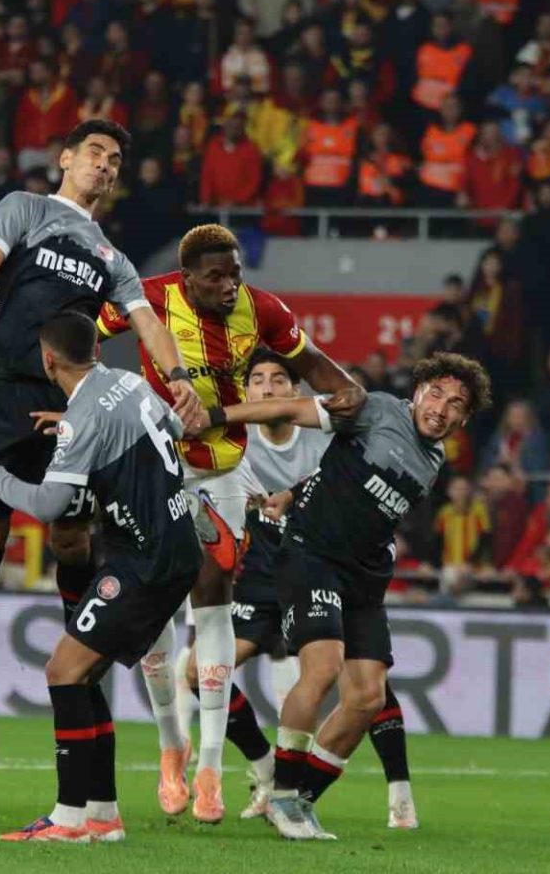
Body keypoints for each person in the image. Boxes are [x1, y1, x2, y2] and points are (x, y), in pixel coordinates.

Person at [0, 119, 201, 767]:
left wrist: (180, 379)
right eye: (95, 152)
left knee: (72, 541)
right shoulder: (24, 209)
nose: (104, 165)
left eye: (114, 160)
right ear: (65, 158)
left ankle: (79, 670)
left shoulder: (112, 259)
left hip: (65, 404)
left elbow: (148, 323)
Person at [95, 224, 349, 822]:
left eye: (235, 272)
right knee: (153, 607)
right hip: (157, 468)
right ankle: (171, 746)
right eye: (216, 276)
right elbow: (87, 333)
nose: (230, 284)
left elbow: (312, 364)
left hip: (223, 471)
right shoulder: (148, 296)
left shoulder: (264, 310)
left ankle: (209, 766)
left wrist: (352, 393)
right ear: (187, 278)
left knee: (213, 602)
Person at [188, 352, 492, 840]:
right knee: (323, 669)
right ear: (417, 391)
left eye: (456, 403)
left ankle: (299, 799)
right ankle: (282, 794)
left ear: (465, 418)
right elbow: (288, 408)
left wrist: (294, 491)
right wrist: (215, 416)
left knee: (368, 697)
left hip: (365, 577)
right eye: (435, 393)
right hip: (313, 556)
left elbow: (339, 475)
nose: (441, 408)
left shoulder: (433, 459)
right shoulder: (375, 409)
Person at [0, 311, 202, 843]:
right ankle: (103, 815)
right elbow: (177, 427)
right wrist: (80, 427)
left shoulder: (84, 416)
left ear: (48, 360)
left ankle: (69, 819)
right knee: (82, 675)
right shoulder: (130, 383)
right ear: (96, 349)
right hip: (177, 544)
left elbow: (50, 504)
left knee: (63, 671)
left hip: (145, 559)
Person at [212, 349, 420, 827]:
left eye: (277, 379)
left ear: (295, 390)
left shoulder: (326, 432)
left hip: (327, 562)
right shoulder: (234, 445)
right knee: (204, 673)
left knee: (364, 682)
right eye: (257, 380)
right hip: (264, 574)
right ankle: (268, 771)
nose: (267, 387)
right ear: (247, 390)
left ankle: (398, 791)